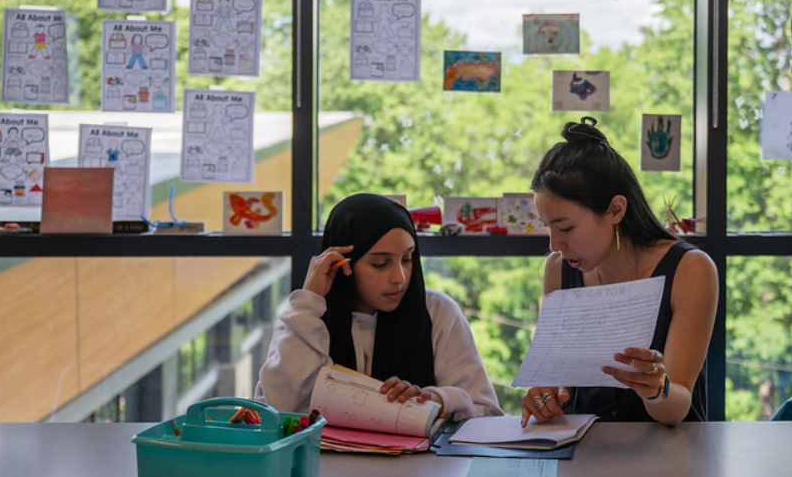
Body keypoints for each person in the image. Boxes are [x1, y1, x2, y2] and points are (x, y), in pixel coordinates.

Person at [521, 116, 718, 427]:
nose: (555, 244)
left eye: (566, 227)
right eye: (547, 227)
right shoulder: (558, 270)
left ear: (615, 210)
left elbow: (678, 407)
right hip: (584, 452)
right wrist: (547, 395)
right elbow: (563, 384)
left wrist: (657, 389)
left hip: (669, 455)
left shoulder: (690, 269)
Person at [255, 193, 503, 420]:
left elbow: (486, 412)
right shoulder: (306, 315)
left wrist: (435, 399)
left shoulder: (437, 312)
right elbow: (278, 408)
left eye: (407, 259)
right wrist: (308, 301)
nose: (400, 277)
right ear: (343, 265)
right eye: (380, 264)